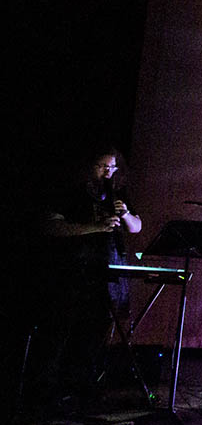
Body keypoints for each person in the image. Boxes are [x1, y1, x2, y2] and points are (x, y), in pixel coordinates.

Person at [41, 147, 143, 400]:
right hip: (75, 274)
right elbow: (51, 226)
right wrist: (95, 227)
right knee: (64, 333)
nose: (107, 173)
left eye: (112, 167)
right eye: (102, 167)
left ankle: (82, 388)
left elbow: (136, 228)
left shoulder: (117, 193)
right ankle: (48, 392)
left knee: (96, 333)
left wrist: (126, 213)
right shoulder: (72, 192)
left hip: (108, 275)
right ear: (89, 165)